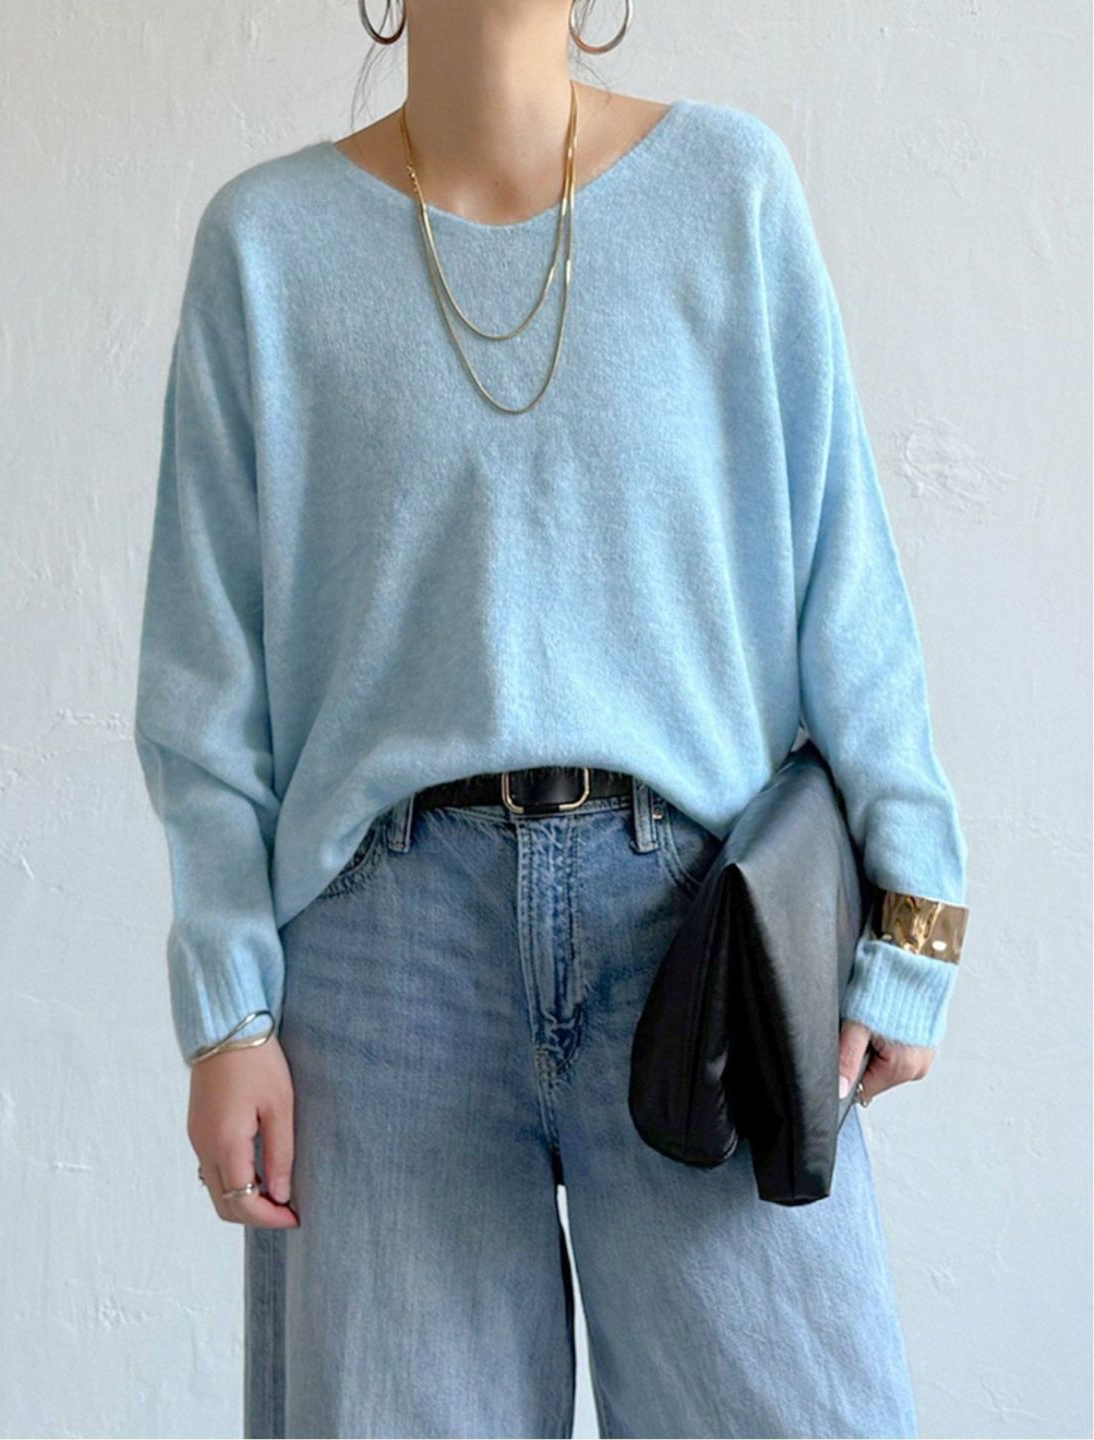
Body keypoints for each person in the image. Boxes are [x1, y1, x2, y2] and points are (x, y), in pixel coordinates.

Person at [132, 2, 970, 1435]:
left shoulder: (729, 191)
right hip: (382, 969)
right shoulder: (264, 250)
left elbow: (848, 583)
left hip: (699, 941)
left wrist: (919, 914)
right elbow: (205, 681)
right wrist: (227, 1016)